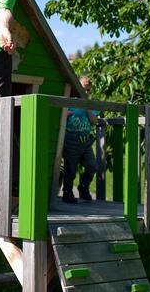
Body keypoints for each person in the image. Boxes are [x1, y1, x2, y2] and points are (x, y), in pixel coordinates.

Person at [62, 75, 100, 203]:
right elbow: (61, 114)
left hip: (85, 140)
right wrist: (66, 114)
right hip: (71, 138)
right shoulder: (71, 101)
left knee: (91, 165)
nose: (86, 92)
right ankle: (67, 192)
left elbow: (94, 121)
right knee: (71, 168)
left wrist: (87, 106)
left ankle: (83, 188)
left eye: (89, 90)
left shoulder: (90, 104)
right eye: (83, 89)